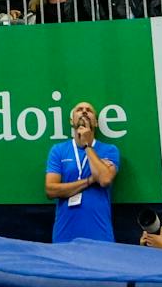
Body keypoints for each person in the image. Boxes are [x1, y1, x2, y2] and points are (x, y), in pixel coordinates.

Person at [43, 102, 120, 243]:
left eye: (89, 110)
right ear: (72, 120)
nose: (84, 112)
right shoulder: (58, 150)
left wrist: (86, 146)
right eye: (79, 109)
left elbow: (104, 179)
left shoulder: (109, 150)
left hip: (100, 235)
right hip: (65, 235)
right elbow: (50, 190)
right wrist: (90, 180)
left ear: (96, 122)